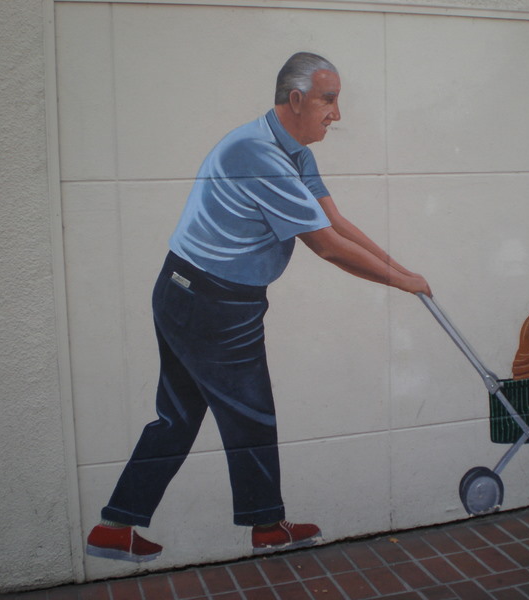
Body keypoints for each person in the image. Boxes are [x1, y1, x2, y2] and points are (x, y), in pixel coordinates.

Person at [86, 52, 431, 563]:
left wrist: (402, 271)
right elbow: (326, 246)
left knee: (178, 417)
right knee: (250, 416)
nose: (336, 114)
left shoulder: (294, 152)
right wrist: (401, 283)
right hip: (213, 302)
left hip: (188, 291)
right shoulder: (259, 156)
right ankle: (266, 527)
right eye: (328, 100)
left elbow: (337, 223)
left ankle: (115, 527)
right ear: (296, 99)